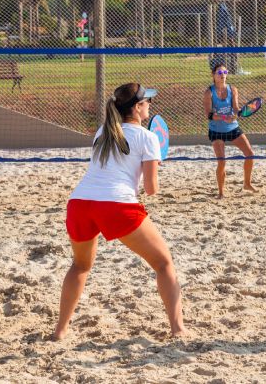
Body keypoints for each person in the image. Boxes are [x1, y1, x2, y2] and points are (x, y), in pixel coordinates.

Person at [53, 83, 185, 340]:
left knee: (80, 266)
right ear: (137, 108)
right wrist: (157, 163)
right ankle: (178, 329)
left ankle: (60, 330)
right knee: (164, 264)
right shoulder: (148, 138)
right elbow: (151, 189)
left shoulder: (102, 131)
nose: (150, 105)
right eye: (147, 102)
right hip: (116, 205)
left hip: (80, 203)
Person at [204, 61, 256, 198]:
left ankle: (247, 183)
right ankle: (221, 192)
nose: (223, 75)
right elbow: (208, 114)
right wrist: (223, 117)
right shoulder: (209, 92)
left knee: (250, 154)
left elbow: (236, 109)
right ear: (213, 75)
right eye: (220, 73)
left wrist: (239, 113)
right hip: (216, 130)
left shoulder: (233, 89)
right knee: (222, 161)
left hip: (232, 127)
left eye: (225, 72)